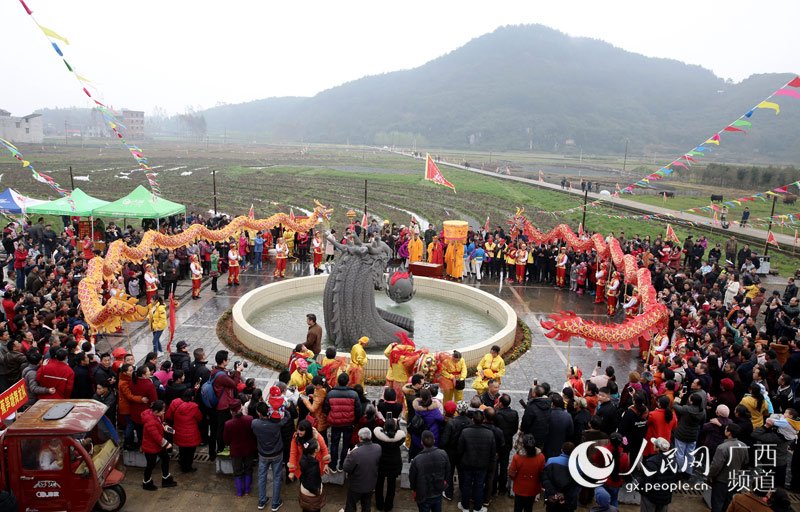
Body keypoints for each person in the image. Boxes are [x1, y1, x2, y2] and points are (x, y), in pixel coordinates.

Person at [252, 398, 291, 511]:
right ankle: (275, 502)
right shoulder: (276, 424)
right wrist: (282, 407)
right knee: (277, 477)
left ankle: (262, 500)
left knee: (262, 477)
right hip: (277, 453)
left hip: (263, 454)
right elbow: (287, 417)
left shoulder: (255, 423)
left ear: (258, 413)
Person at [458, 410, 496, 512]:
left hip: (468, 463)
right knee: (479, 486)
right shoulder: (489, 434)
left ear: (472, 420)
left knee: (466, 485)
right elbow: (493, 452)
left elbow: (460, 449)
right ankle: (477, 507)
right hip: (482, 464)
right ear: (483, 420)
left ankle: (465, 505)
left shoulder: (465, 432)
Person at [324, 372, 362, 472]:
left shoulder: (331, 393)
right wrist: (355, 420)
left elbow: (326, 409)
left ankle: (333, 465)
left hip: (335, 423)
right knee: (346, 444)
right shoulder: (354, 394)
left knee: (334, 444)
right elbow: (358, 410)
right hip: (349, 423)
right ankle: (342, 465)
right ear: (347, 382)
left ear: (338, 381)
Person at [341, 427, 382, 512]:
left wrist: (349, 455)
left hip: (356, 486)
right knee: (366, 505)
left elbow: (346, 467)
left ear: (360, 438)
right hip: (370, 484)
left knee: (351, 506)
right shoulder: (378, 448)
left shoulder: (355, 453)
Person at [708, 424, 748, 512]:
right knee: (727, 503)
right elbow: (745, 462)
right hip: (734, 479)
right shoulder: (744, 446)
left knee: (717, 504)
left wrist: (710, 476)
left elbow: (716, 466)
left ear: (729, 433)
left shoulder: (722, 447)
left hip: (721, 481)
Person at [409, 430, 450, 512]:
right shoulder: (443, 454)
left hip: (423, 494)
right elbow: (448, 471)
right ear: (434, 441)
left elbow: (412, 478)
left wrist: (415, 489)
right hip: (438, 492)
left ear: (422, 443)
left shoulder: (417, 460)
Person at [211, 351, 243, 455]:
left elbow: (228, 379)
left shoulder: (218, 371)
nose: (228, 360)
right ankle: (221, 448)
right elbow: (234, 384)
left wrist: (234, 371)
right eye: (228, 359)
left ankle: (223, 446)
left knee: (222, 427)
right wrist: (238, 371)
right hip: (223, 405)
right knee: (222, 428)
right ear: (224, 361)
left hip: (222, 403)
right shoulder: (221, 376)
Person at [141, 400, 178, 491]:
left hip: (158, 446)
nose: (163, 412)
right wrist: (167, 444)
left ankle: (166, 478)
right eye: (162, 411)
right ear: (156, 411)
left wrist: (166, 427)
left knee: (165, 459)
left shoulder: (156, 416)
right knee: (150, 465)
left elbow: (161, 424)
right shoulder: (150, 422)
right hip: (151, 447)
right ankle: (146, 482)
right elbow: (156, 437)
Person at [165, 388, 202, 473]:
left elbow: (169, 416)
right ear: (192, 397)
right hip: (191, 434)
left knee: (182, 449)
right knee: (190, 452)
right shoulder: (194, 407)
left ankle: (182, 462)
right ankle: (187, 467)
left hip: (178, 431)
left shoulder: (175, 403)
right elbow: (199, 418)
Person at [374, 418, 406, 512]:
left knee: (379, 484)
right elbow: (400, 433)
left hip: (381, 463)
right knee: (391, 485)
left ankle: (379, 504)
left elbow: (377, 431)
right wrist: (397, 425)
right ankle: (389, 505)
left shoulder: (379, 438)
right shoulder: (398, 439)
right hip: (394, 464)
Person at [508, 433, 545, 512]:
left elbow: (511, 473)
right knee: (529, 507)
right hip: (533, 487)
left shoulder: (517, 457)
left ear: (523, 444)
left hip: (520, 487)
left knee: (518, 507)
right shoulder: (541, 457)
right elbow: (542, 473)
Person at [542, 442, 579, 512]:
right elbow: (576, 486)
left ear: (562, 450)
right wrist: (565, 497)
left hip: (552, 499)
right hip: (568, 502)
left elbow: (545, 480)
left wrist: (554, 493)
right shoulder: (578, 466)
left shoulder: (550, 461)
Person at [298, 438, 326, 512]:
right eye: (318, 445)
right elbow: (312, 485)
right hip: (311, 494)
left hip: (304, 486)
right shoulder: (313, 467)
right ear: (316, 450)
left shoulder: (304, 458)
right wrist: (317, 491)